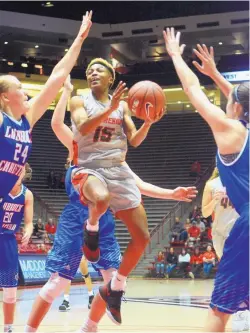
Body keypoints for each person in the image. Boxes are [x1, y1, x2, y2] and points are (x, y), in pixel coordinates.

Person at [22, 76, 198, 333]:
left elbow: (136, 183)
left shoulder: (112, 160)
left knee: (112, 282)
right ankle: (28, 330)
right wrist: (67, 92)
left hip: (103, 221)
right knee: (58, 282)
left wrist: (172, 194)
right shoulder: (77, 146)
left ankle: (89, 328)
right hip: (76, 219)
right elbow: (57, 123)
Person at [163, 27, 249, 332]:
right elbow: (241, 100)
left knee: (220, 307)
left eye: (230, 102)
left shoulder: (233, 132)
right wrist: (216, 74)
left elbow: (193, 92)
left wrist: (175, 55)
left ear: (236, 108)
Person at [0, 11, 92, 201]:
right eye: (19, 88)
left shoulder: (26, 119)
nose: (26, 93)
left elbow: (56, 77)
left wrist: (79, 40)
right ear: (5, 97)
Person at [202, 167, 249, 331]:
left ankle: (240, 313)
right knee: (235, 275)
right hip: (222, 236)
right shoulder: (212, 185)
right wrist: (214, 200)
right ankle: (239, 314)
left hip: (242, 232)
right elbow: (205, 212)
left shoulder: (244, 181)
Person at [0, 167, 34, 333]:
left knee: (11, 291)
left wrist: (28, 230)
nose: (17, 174)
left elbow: (28, 222)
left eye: (20, 171)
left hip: (8, 242)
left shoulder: (27, 195)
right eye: (15, 170)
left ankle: (8, 328)